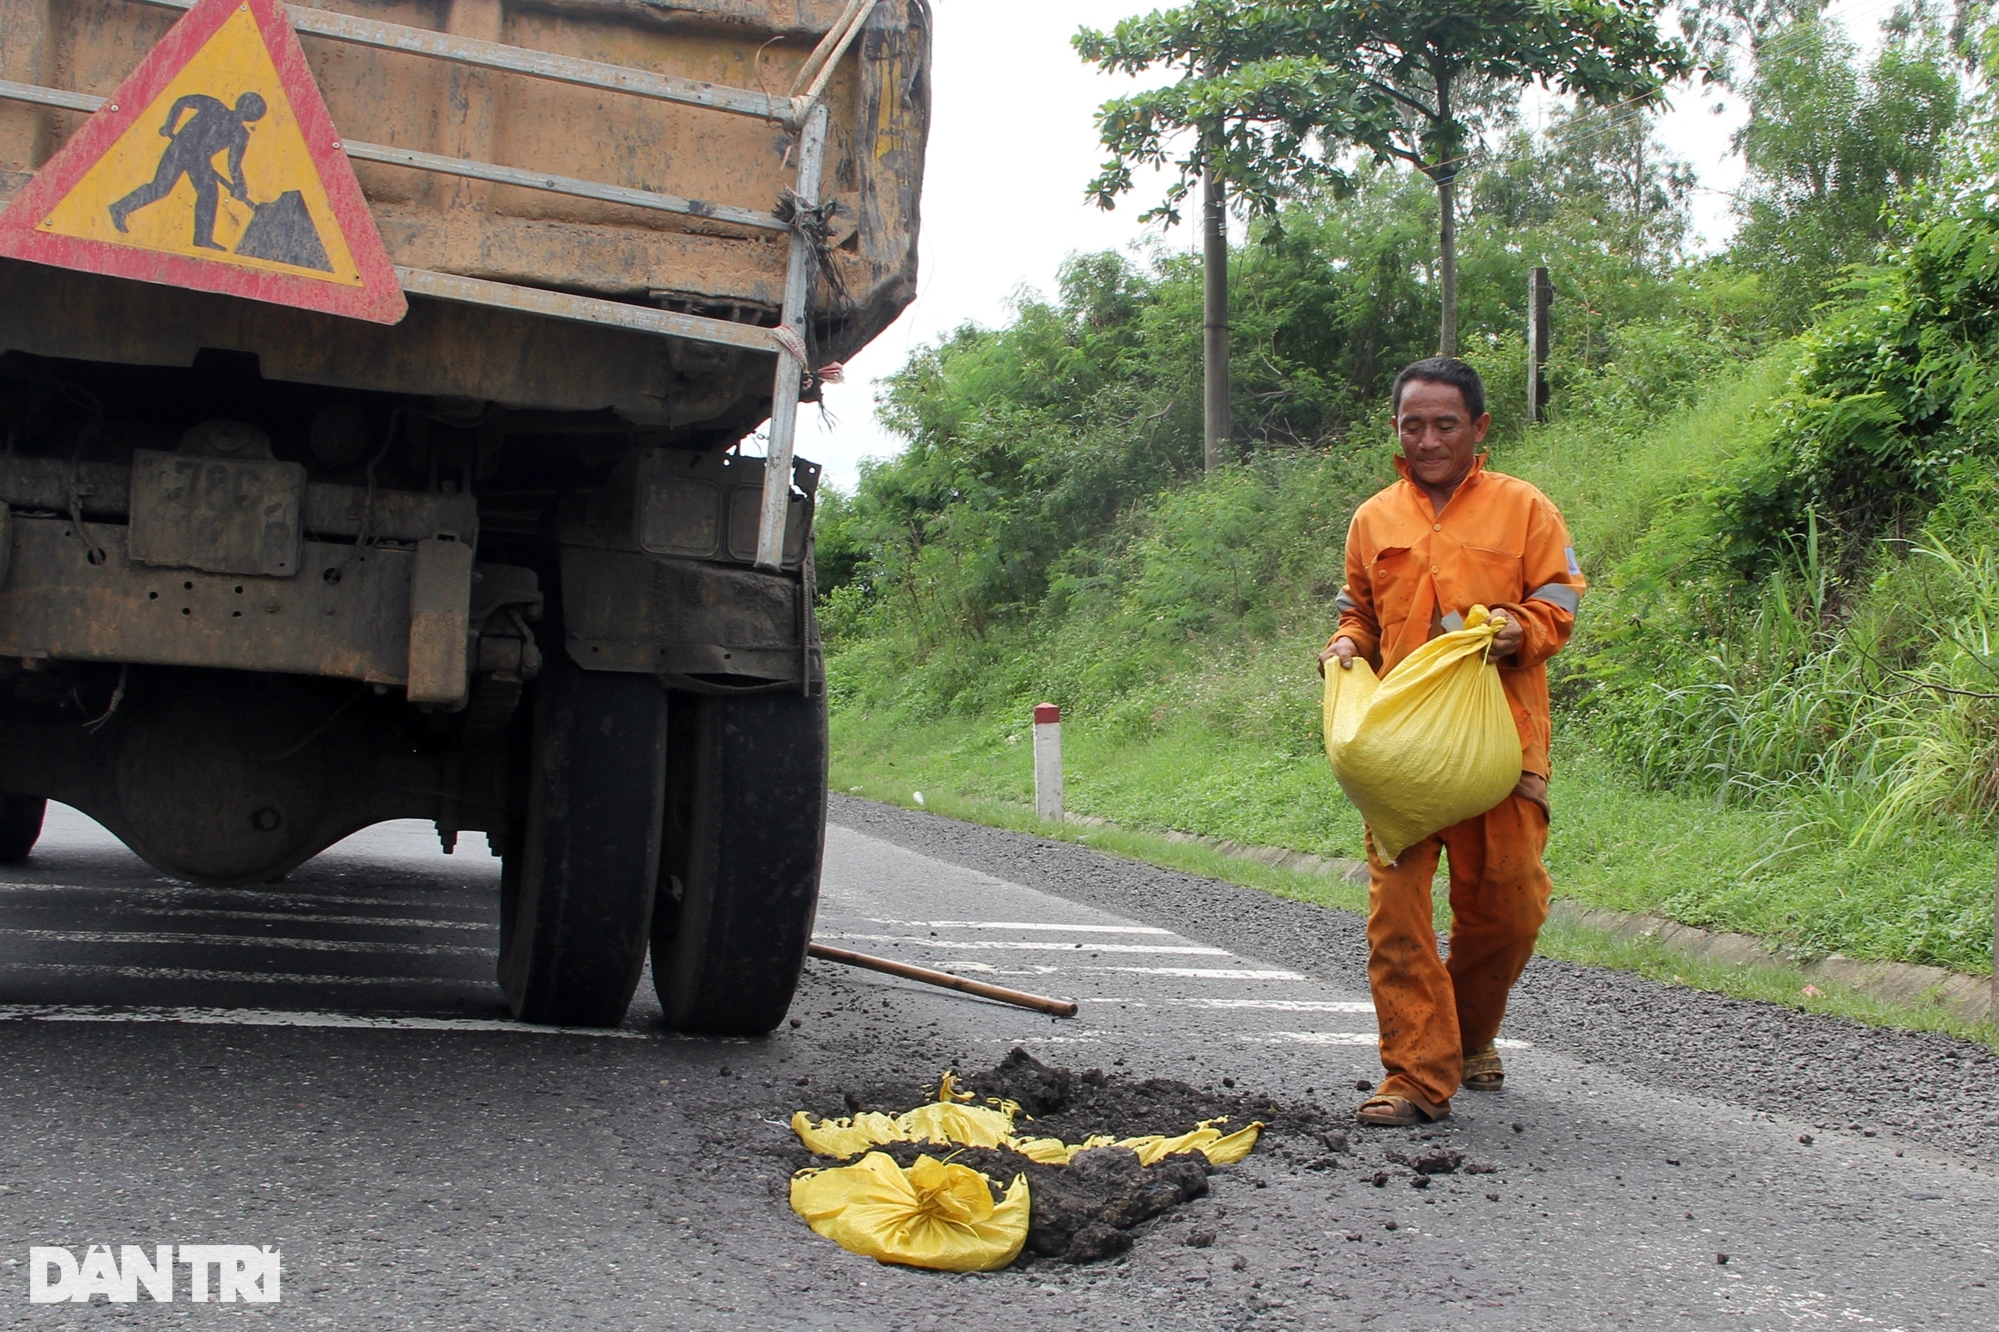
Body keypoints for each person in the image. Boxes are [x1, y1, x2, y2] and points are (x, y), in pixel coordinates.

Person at [1317, 357, 1585, 1127]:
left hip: (1500, 742)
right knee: (1397, 913)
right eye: (1413, 424)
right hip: (1401, 751)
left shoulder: (1525, 508)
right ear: (1395, 428)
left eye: (1444, 424)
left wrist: (1517, 631)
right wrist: (1345, 646)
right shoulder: (1373, 518)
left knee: (1508, 909)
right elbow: (1357, 612)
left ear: (1478, 428)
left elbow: (1557, 603)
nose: (1428, 439)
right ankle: (1412, 1077)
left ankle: (1465, 1036)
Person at [108, 91, 268, 250]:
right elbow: (182, 101)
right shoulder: (214, 106)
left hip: (199, 160)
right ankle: (119, 208)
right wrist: (169, 125)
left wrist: (240, 185)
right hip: (180, 149)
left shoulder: (240, 133)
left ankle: (203, 238)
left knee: (209, 193)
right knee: (161, 188)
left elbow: (234, 163)